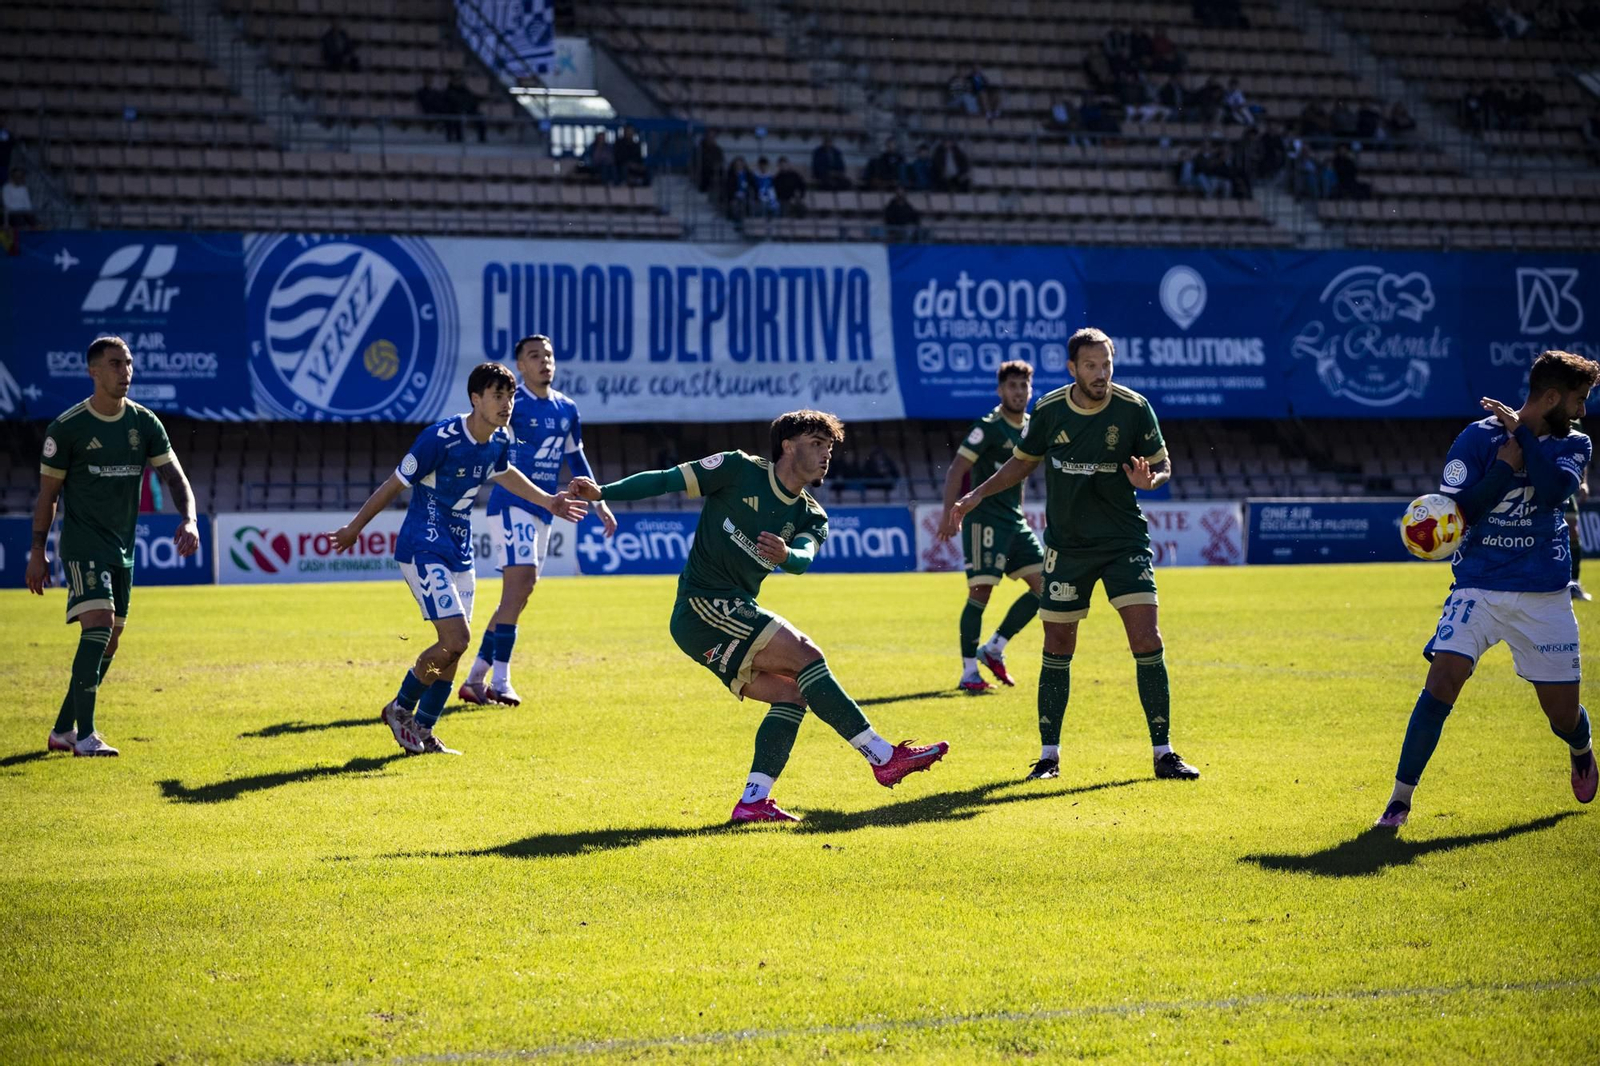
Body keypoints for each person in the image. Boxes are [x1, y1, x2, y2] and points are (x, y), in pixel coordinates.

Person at [566, 411, 949, 822]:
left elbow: (803, 557)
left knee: (793, 693)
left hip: (727, 612)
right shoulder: (737, 469)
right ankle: (882, 756)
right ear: (788, 445)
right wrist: (602, 490)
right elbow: (665, 480)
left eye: (830, 447)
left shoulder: (811, 514)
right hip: (704, 605)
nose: (826, 455)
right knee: (807, 655)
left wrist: (788, 555)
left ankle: (752, 801)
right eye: (817, 443)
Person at [948, 328, 1200, 783]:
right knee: (1058, 645)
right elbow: (1021, 464)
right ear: (1072, 369)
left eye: (1106, 364)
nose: (1100, 374)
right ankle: (1048, 758)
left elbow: (1163, 465)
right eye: (1091, 366)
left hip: (1125, 542)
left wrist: (1153, 482)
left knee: (1148, 640)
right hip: (1067, 548)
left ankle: (1164, 753)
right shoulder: (1047, 411)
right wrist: (973, 498)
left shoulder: (1133, 407)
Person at [1375, 350, 1600, 828]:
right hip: (1477, 586)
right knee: (1441, 683)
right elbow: (1459, 515)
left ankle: (1580, 747)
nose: (1583, 411)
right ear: (1553, 397)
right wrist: (1501, 468)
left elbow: (1554, 492)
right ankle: (1398, 801)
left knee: (1561, 716)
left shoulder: (1575, 444)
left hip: (1543, 592)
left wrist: (1521, 435)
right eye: (1579, 400)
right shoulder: (1476, 439)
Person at [331, 362, 586, 756]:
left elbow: (505, 474)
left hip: (459, 551)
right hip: (423, 547)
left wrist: (549, 500)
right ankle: (399, 707)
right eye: (497, 396)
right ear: (475, 398)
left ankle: (425, 729)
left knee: (453, 649)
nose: (506, 404)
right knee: (457, 638)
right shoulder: (440, 439)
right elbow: (393, 484)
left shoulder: (500, 439)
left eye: (511, 396)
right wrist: (355, 527)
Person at [26, 336, 200, 757]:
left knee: (111, 640)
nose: (125, 372)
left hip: (123, 547)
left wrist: (189, 517)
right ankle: (86, 736)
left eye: (128, 363)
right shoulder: (68, 428)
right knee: (99, 625)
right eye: (115, 364)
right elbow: (48, 495)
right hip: (84, 543)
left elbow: (174, 478)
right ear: (94, 371)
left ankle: (62, 729)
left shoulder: (145, 424)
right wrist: (37, 551)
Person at [460, 336, 616, 707]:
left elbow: (575, 460)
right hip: (511, 502)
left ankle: (475, 678)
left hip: (547, 507)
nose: (544, 361)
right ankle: (501, 679)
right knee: (522, 584)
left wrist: (600, 502)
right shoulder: (512, 404)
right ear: (521, 367)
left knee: (518, 594)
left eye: (547, 355)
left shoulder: (566, 408)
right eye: (534, 356)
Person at [936, 361, 1044, 694]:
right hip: (985, 520)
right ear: (1000, 391)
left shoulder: (1031, 427)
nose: (1018, 392)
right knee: (980, 594)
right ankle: (969, 672)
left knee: (1048, 587)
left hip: (1015, 521)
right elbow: (957, 468)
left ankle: (994, 647)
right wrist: (947, 514)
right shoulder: (989, 427)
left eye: (1023, 386)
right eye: (1012, 386)